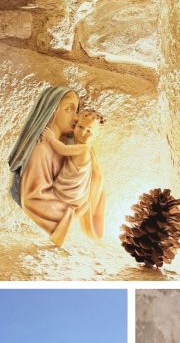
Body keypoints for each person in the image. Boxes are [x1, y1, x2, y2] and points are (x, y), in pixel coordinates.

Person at [7, 86, 106, 247]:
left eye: (77, 112)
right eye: (69, 109)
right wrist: (72, 212)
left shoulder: (69, 144)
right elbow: (32, 199)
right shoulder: (41, 150)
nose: (75, 119)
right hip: (68, 207)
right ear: (51, 111)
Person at [43, 109, 106, 241]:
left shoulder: (84, 148)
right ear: (75, 126)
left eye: (89, 131)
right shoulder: (80, 145)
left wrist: (51, 139)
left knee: (55, 202)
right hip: (71, 183)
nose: (82, 132)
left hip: (71, 191)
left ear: (95, 135)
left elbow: (64, 150)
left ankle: (59, 232)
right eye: (80, 127)